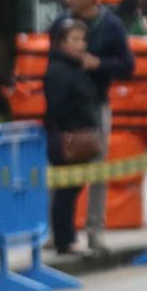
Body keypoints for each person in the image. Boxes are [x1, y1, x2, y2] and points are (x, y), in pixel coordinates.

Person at [63, 0, 133, 253]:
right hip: (67, 106)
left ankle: (95, 231)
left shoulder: (111, 25)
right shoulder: (62, 22)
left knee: (98, 167)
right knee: (62, 169)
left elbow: (128, 65)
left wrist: (99, 64)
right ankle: (60, 231)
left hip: (96, 105)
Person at [43, 17, 101, 255]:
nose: (81, 44)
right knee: (65, 191)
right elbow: (58, 105)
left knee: (73, 189)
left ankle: (68, 236)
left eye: (83, 39)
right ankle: (64, 239)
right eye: (75, 39)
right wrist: (71, 128)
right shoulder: (59, 70)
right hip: (66, 138)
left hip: (79, 135)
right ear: (61, 42)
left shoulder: (76, 68)